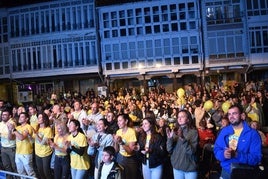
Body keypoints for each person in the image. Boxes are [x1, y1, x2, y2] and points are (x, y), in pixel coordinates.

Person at [213, 104, 262, 179]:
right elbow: (217, 149)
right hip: (226, 171)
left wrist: (237, 155)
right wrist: (223, 154)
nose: (231, 116)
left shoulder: (253, 134)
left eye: (234, 113)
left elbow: (256, 158)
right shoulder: (224, 131)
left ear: (242, 115)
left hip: (244, 173)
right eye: (229, 114)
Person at [166, 109, 199, 179]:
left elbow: (192, 151)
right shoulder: (175, 131)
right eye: (178, 117)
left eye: (182, 116)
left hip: (190, 169)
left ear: (188, 119)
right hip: (177, 167)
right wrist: (169, 139)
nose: (179, 118)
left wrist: (182, 139)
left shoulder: (193, 132)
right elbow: (169, 150)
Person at [8, 112, 36, 177]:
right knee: (20, 172)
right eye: (20, 116)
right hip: (18, 152)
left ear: (26, 119)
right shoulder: (17, 127)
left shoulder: (29, 127)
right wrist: (9, 130)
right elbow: (10, 138)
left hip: (26, 153)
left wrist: (14, 129)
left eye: (22, 117)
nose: (20, 118)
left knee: (30, 173)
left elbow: (21, 138)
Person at [113, 113, 138, 179]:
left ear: (126, 121)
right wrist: (115, 142)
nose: (118, 123)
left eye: (120, 120)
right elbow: (116, 150)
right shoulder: (118, 131)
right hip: (120, 157)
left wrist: (121, 142)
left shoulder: (131, 132)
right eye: (117, 121)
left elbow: (130, 151)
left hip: (130, 159)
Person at [34, 112, 53, 179]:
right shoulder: (37, 128)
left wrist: (36, 134)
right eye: (38, 117)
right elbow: (33, 139)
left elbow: (43, 143)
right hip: (37, 153)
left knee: (46, 172)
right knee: (40, 171)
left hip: (45, 153)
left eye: (40, 117)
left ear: (44, 119)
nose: (38, 119)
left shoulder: (48, 129)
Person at [0, 109, 17, 178]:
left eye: (5, 115)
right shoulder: (0, 124)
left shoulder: (12, 123)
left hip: (11, 148)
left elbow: (11, 138)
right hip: (3, 148)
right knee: (6, 166)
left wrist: (10, 130)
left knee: (14, 166)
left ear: (9, 116)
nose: (3, 116)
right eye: (2, 115)